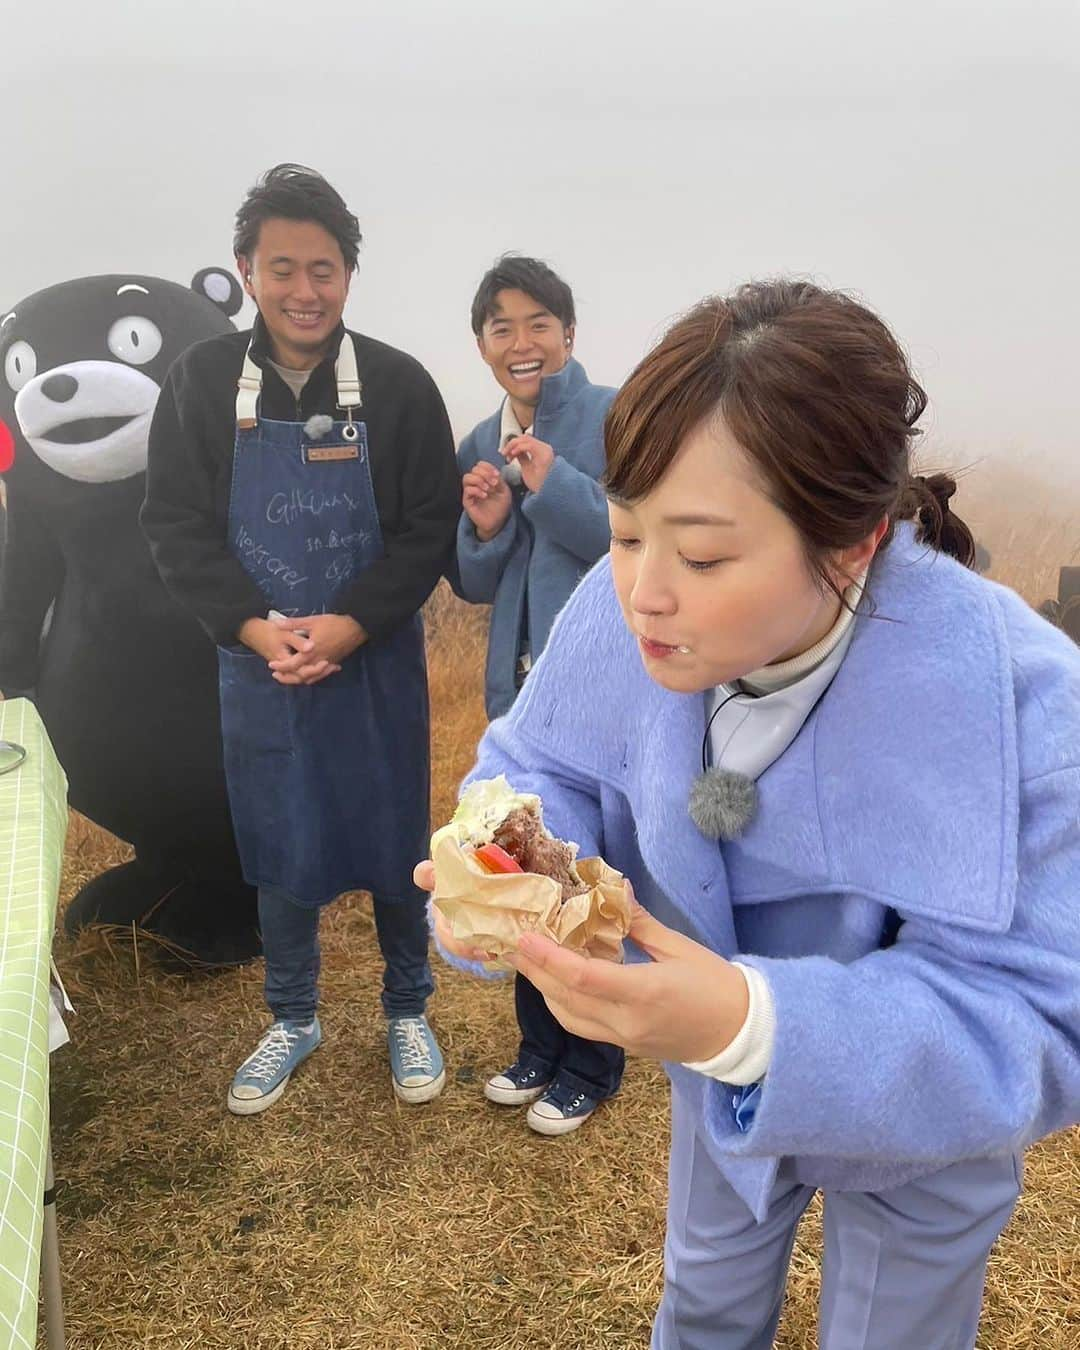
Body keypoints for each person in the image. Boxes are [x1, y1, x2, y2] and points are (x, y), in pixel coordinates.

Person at [424, 280, 1080, 1347]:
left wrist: (752, 1024)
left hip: (930, 1130)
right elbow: (542, 759)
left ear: (854, 541)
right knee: (706, 1300)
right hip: (714, 1084)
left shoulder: (1027, 705)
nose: (643, 593)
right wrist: (510, 867)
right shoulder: (620, 602)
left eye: (705, 554)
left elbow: (1049, 1013)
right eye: (628, 532)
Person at [142, 164, 460, 1115]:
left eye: (323, 269)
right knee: (279, 840)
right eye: (283, 268)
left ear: (348, 277)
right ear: (247, 271)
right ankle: (294, 1014)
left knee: (396, 835)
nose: (304, 290)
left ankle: (408, 1006)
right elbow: (175, 526)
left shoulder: (398, 386)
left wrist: (353, 622)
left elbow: (427, 523)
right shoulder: (201, 384)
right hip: (261, 666)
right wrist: (255, 627)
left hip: (377, 663)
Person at [454, 254, 623, 1135]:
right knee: (520, 870)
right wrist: (484, 527)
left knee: (584, 874)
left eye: (537, 324)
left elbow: (626, 541)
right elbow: (477, 581)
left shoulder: (614, 416)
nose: (521, 343)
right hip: (515, 696)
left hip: (595, 686)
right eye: (500, 327)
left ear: (567, 332)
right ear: (482, 344)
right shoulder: (481, 441)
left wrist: (550, 482)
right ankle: (539, 1047)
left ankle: (592, 1062)